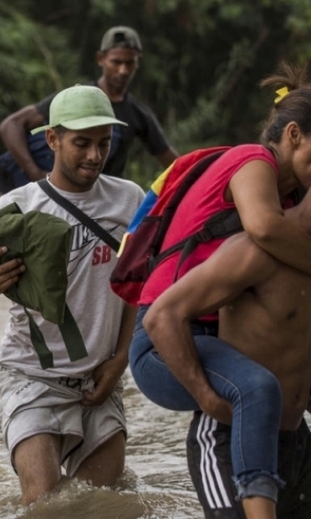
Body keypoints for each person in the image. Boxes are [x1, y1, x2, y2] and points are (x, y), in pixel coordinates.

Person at [129, 64, 311, 519]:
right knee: (255, 387)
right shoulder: (253, 161)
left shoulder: (288, 198)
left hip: (204, 334)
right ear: (293, 134)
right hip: (165, 339)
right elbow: (265, 230)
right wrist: (207, 397)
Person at [0, 85, 144, 505]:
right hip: (31, 377)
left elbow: (138, 287)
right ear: (53, 140)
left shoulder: (129, 199)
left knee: (102, 503)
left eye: (104, 143)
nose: (95, 156)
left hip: (100, 380)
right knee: (44, 503)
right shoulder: (14, 209)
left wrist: (120, 360)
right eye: (82, 143)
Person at [142, 189, 311, 519]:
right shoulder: (256, 250)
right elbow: (162, 316)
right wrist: (206, 397)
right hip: (228, 439)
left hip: (296, 444)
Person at [0, 26, 178, 191]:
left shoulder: (138, 114)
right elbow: (10, 125)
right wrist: (34, 172)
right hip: (59, 192)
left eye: (129, 63)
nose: (123, 71)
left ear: (138, 62)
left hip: (103, 200)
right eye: (116, 62)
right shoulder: (74, 99)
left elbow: (173, 164)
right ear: (101, 59)